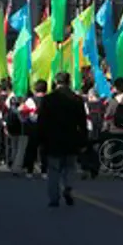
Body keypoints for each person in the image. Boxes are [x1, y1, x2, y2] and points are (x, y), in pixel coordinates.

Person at [37, 72, 88, 208]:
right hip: (71, 138)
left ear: (55, 81)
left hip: (52, 140)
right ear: (69, 81)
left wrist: (40, 140)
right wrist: (83, 140)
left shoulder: (48, 99)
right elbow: (82, 122)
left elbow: (41, 122)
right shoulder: (77, 99)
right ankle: (68, 187)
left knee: (53, 170)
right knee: (70, 167)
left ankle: (54, 198)